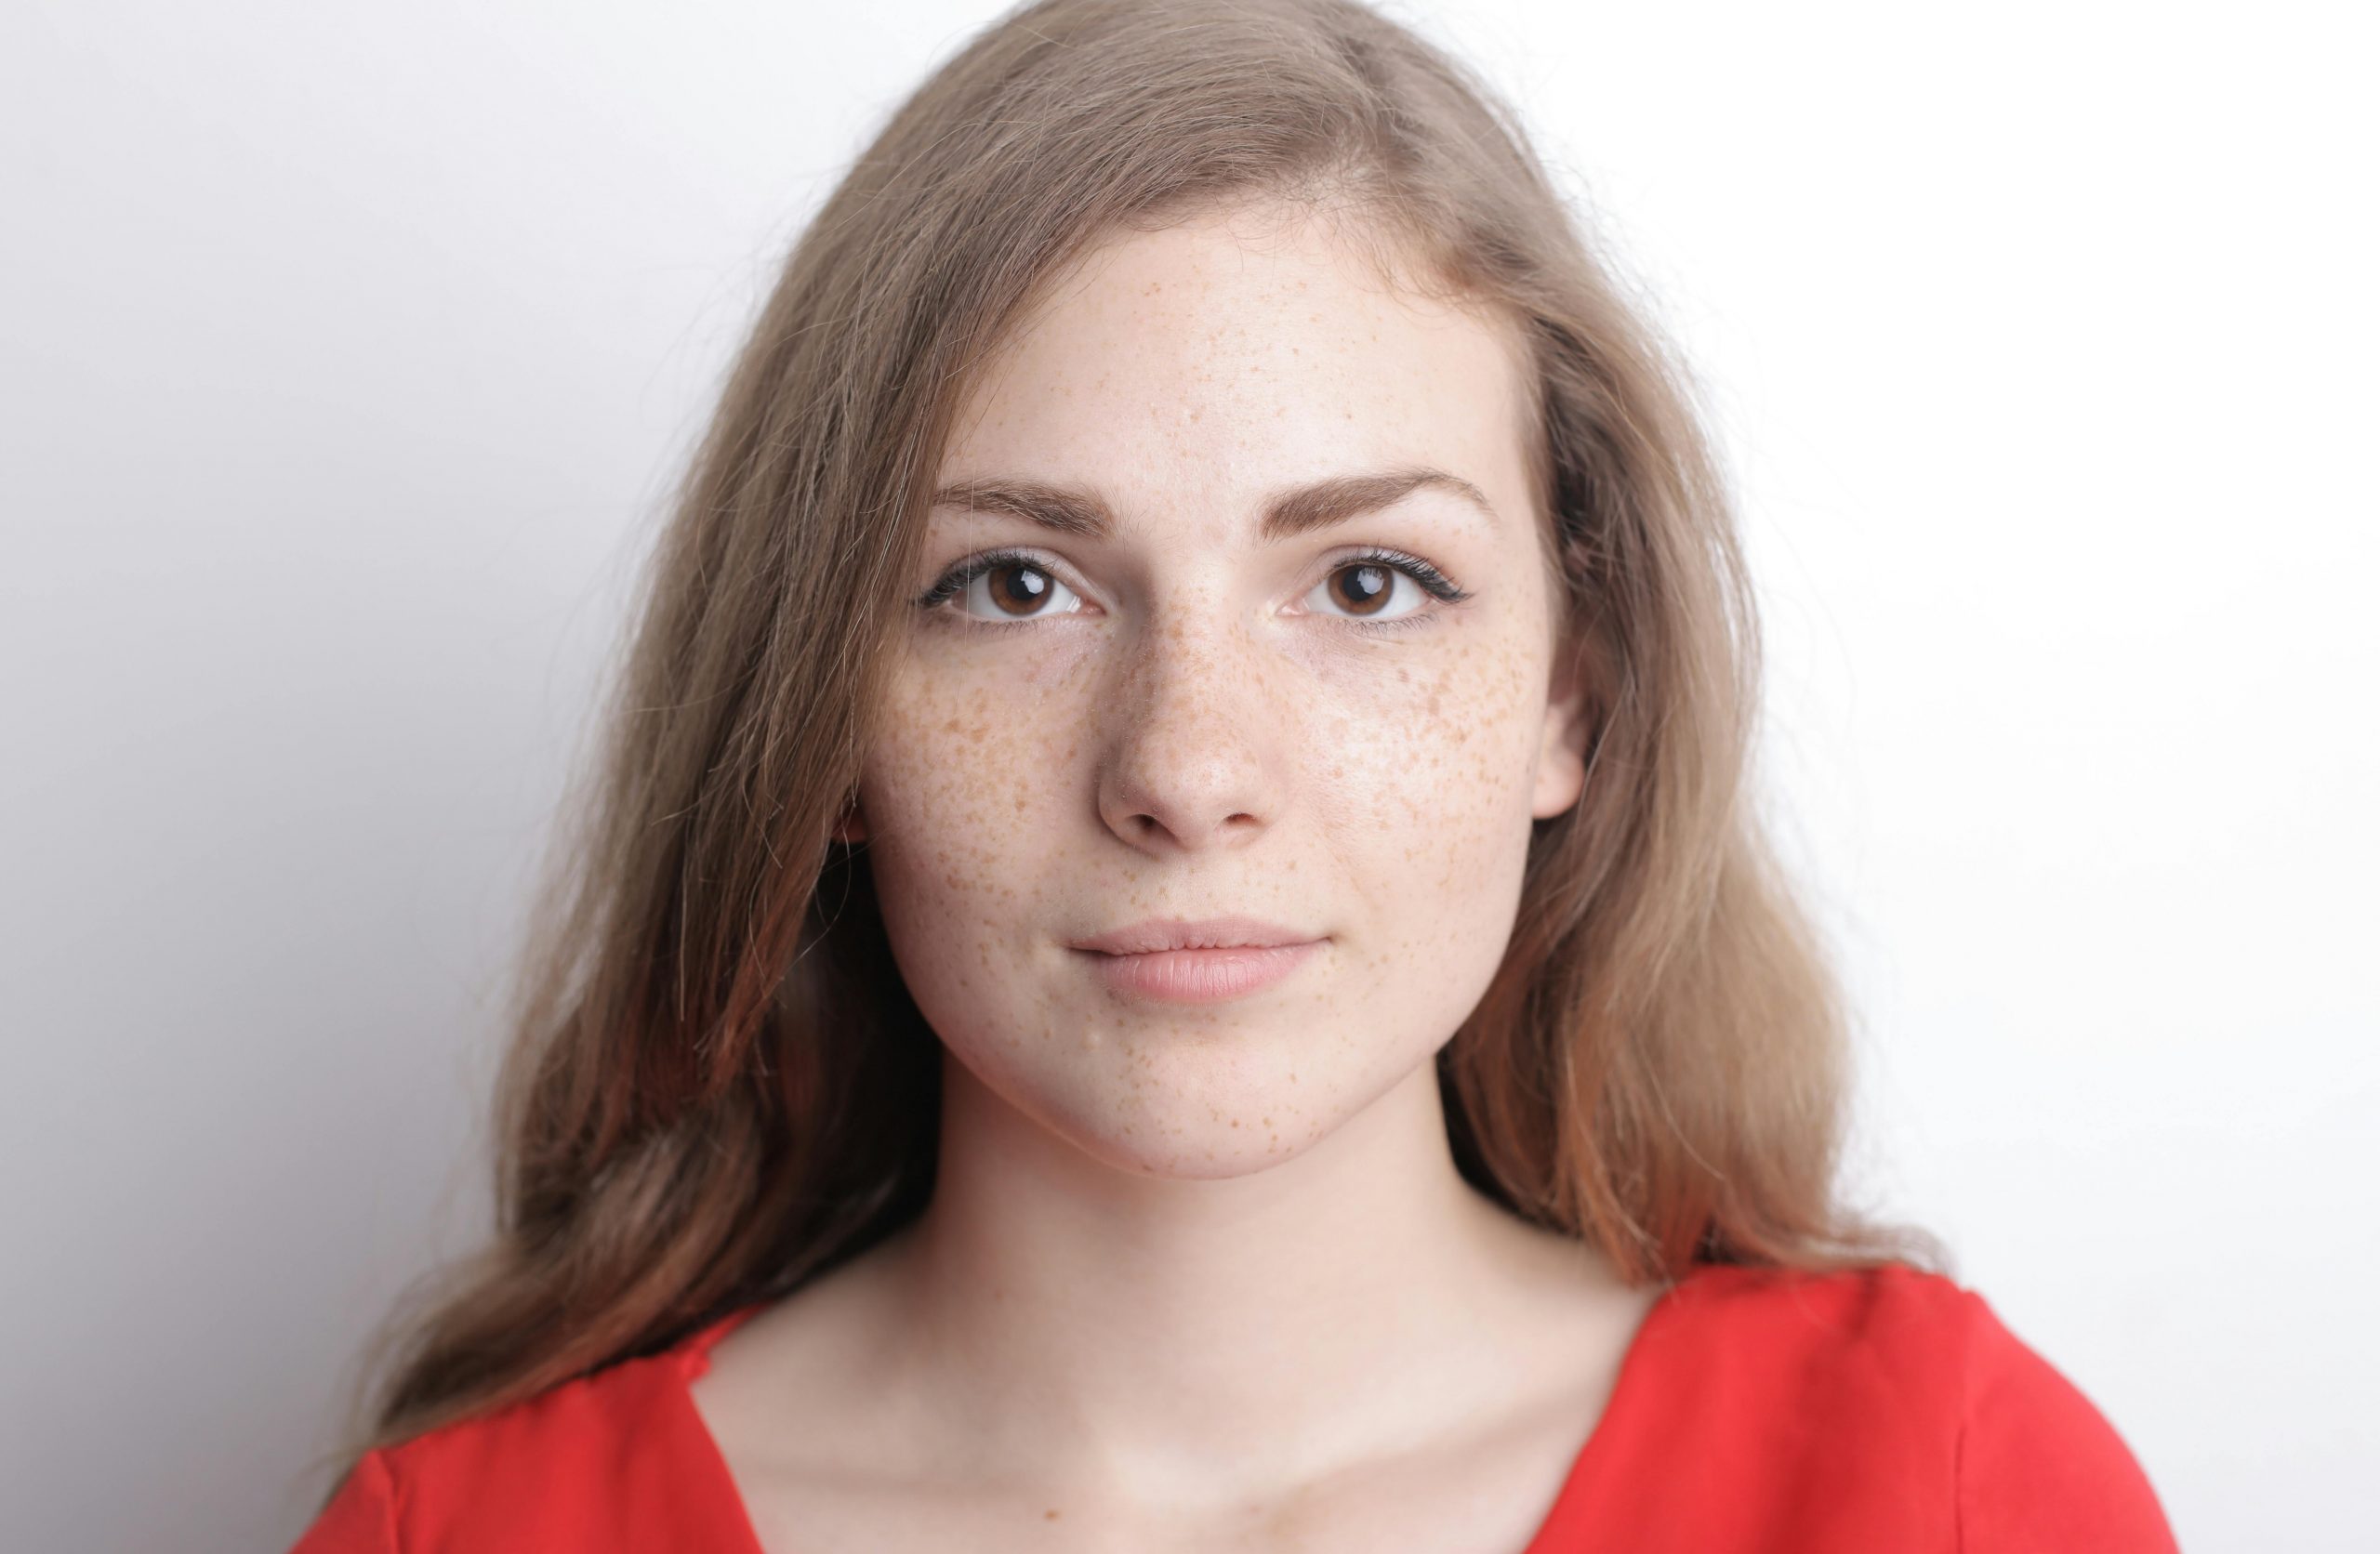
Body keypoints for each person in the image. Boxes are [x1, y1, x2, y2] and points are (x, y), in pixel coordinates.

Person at [287, 0, 2180, 1548]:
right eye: (1011, 583)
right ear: (822, 724)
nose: (1186, 768)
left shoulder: (1941, 1487)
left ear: (1573, 700)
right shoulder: (457, 1531)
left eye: (1368, 582)